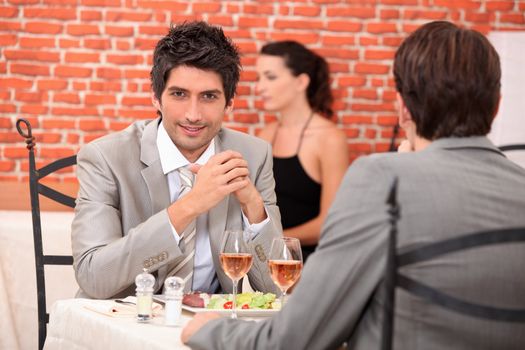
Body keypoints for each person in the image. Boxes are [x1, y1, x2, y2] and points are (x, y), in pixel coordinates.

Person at [181, 21, 525, 349]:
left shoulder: (383, 180)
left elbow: (292, 340)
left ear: (402, 109)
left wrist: (208, 329)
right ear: (496, 107)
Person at [71, 21, 282, 299]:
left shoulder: (254, 156)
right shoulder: (105, 158)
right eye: (179, 94)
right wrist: (192, 205)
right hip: (125, 324)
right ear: (156, 97)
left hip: (209, 331)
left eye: (208, 96)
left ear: (229, 103)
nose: (192, 114)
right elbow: (94, 277)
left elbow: (277, 288)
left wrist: (253, 207)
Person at [256, 40, 349, 262]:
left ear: (301, 82)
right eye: (258, 78)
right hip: (265, 259)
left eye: (270, 77)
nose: (259, 87)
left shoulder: (329, 138)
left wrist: (275, 241)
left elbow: (329, 222)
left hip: (307, 262)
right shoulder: (265, 135)